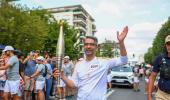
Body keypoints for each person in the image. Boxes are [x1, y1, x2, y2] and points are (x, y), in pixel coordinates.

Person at [53, 26, 128, 100]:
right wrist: (62, 76)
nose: (88, 46)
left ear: (96, 47)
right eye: (86, 44)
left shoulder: (104, 62)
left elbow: (123, 60)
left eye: (91, 44)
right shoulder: (78, 65)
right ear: (84, 46)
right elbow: (73, 85)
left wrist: (121, 42)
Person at [148, 35, 170, 100]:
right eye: (168, 44)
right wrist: (149, 96)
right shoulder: (159, 58)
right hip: (162, 95)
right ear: (165, 45)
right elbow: (152, 77)